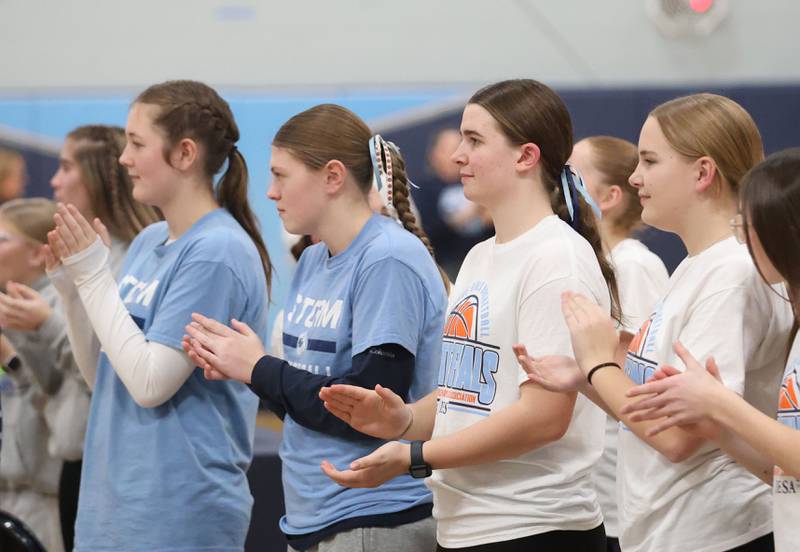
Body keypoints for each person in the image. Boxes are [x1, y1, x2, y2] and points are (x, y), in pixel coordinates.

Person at [317, 79, 619, 551]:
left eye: (475, 141)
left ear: (526, 156)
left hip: (535, 528)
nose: (458, 155)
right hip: (466, 525)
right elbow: (470, 399)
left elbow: (543, 418)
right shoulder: (480, 256)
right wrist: (402, 419)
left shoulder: (557, 258)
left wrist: (415, 456)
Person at [521, 94, 791, 552]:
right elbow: (658, 404)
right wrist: (588, 378)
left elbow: (678, 436)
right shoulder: (696, 265)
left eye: (649, 160)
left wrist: (599, 367)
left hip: (717, 532)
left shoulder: (730, 272)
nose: (634, 176)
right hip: (673, 529)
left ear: (703, 173)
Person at [183, 103, 449, 552]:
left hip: (375, 516)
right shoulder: (312, 259)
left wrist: (260, 370)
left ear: (332, 176)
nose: (270, 192)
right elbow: (308, 404)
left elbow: (369, 408)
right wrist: (245, 368)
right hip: (316, 516)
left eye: (281, 175)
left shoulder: (386, 257)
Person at [46, 80, 272, 552]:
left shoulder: (216, 251)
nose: (124, 158)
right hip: (112, 508)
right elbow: (105, 376)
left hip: (176, 514)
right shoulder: (151, 241)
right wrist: (72, 292)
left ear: (185, 153)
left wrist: (93, 279)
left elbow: (151, 384)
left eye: (137, 143)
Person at [619, 147, 800, 552]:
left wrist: (721, 405)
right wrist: (715, 427)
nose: (741, 233)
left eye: (750, 221)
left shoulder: (730, 273)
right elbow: (782, 472)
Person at [569, 135, 669, 551]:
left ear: (609, 197)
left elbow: (642, 375)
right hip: (596, 486)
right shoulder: (592, 262)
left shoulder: (633, 266)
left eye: (573, 174)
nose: (560, 184)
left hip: (618, 491)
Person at [0, 197, 67, 552]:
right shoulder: (8, 304)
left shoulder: (59, 309)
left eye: (2, 240)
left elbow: (61, 395)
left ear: (37, 254)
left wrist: (11, 357)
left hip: (43, 498)